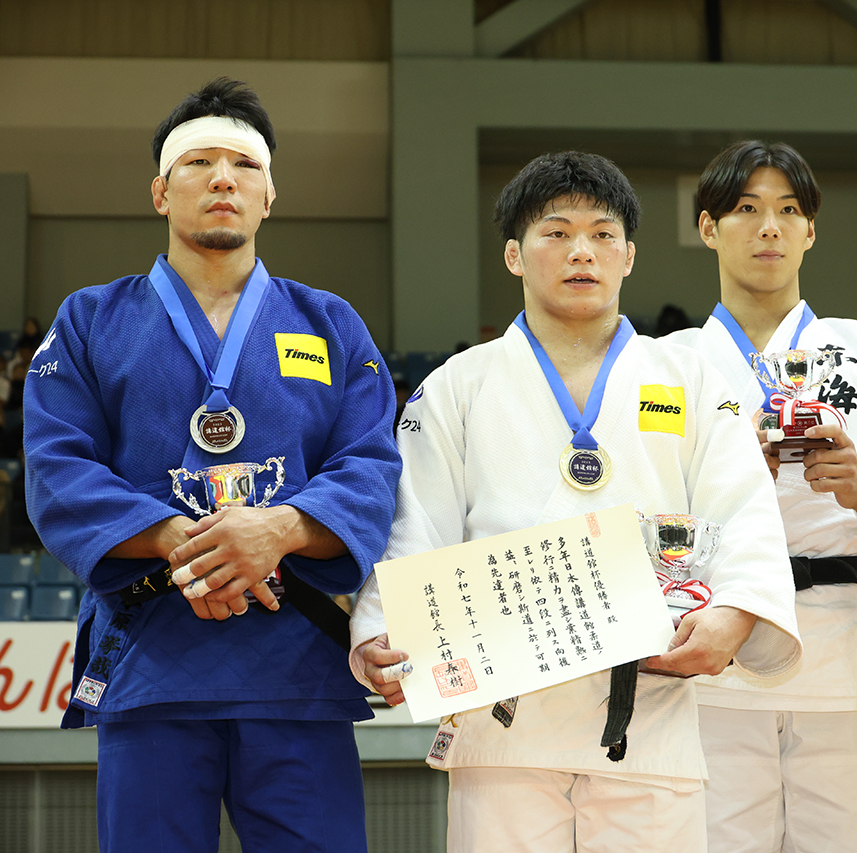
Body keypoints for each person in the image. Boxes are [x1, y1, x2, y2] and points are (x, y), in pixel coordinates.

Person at [350, 151, 801, 853]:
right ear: (513, 254)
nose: (580, 251)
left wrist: (737, 614)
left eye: (601, 234)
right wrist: (382, 626)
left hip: (649, 712)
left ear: (628, 256)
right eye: (555, 233)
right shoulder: (458, 386)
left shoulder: (688, 376)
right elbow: (417, 523)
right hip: (504, 721)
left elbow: (743, 506)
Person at [22, 78, 401, 853]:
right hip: (154, 655)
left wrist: (278, 530)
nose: (223, 177)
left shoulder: (329, 324)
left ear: (269, 195)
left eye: (243, 165)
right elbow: (57, 468)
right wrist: (175, 540)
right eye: (198, 162)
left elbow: (370, 465)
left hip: (295, 662)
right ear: (161, 192)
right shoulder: (91, 320)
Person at [666, 140, 857, 853]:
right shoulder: (669, 364)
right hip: (714, 649)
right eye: (746, 209)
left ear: (811, 230)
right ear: (709, 227)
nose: (768, 227)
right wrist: (734, 468)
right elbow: (639, 517)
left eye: (788, 210)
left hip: (841, 645)